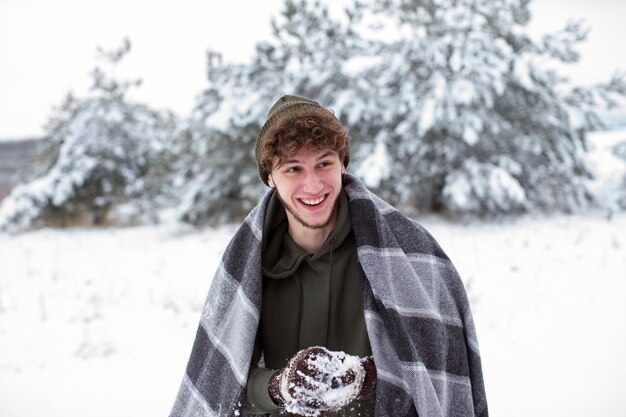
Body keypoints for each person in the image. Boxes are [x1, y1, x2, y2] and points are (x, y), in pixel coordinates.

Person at [169, 95, 488, 417]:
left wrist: (368, 377)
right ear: (270, 177)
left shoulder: (409, 253)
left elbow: (440, 366)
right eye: (293, 169)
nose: (313, 184)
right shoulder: (245, 267)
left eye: (324, 163)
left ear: (342, 164)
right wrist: (277, 386)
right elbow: (219, 381)